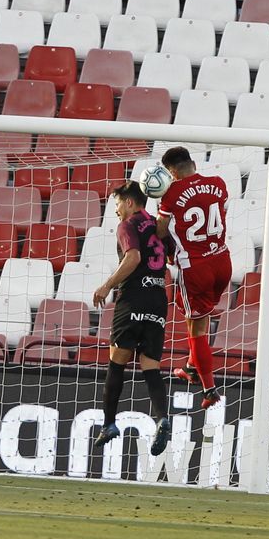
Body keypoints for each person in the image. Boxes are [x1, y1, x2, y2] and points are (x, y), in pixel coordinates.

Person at [92, 181, 173, 458]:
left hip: (133, 297)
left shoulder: (128, 225)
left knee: (117, 360)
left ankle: (109, 423)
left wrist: (106, 285)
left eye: (116, 204)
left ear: (129, 202)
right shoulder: (157, 225)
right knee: (150, 365)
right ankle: (162, 417)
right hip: (159, 298)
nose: (115, 210)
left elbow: (133, 257)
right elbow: (170, 252)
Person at [155, 146, 232, 409]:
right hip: (222, 261)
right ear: (193, 163)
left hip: (195, 267)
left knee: (196, 327)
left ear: (172, 172)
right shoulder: (219, 184)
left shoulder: (171, 193)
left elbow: (160, 231)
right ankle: (190, 365)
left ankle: (209, 389)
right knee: (199, 317)